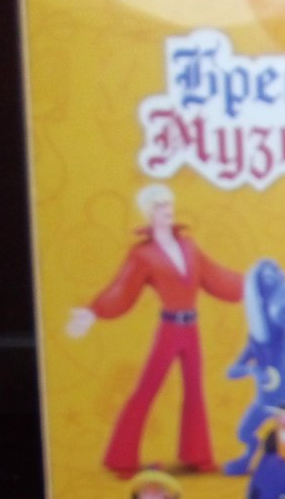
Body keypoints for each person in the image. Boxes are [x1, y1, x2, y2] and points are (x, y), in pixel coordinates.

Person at [67, 184, 244, 477]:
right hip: (170, 328)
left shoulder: (189, 246)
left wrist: (254, 285)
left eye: (169, 204)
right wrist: (94, 310)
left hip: (192, 329)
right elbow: (122, 288)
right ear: (149, 213)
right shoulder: (143, 254)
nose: (167, 210)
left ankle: (198, 456)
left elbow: (217, 276)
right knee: (147, 389)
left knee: (194, 389)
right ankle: (122, 459)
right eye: (160, 206)